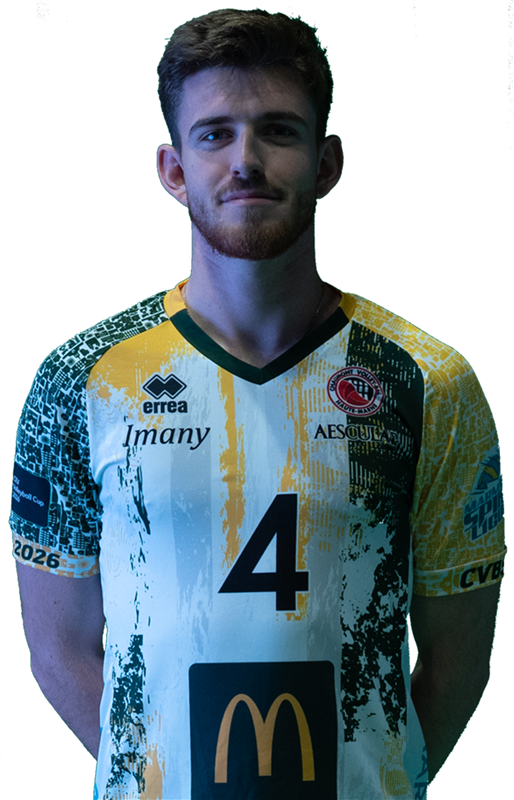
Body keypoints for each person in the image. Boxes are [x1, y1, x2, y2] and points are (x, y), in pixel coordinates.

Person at [10, 8, 505, 800]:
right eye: (215, 135)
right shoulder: (82, 382)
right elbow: (59, 650)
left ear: (326, 162)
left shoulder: (429, 381)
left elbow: (458, 660)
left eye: (277, 131)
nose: (246, 160)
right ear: (174, 169)